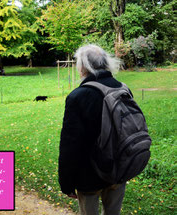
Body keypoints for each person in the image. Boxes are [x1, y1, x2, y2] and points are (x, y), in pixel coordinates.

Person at [59, 44, 127, 215]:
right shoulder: (122, 88)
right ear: (106, 63)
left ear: (82, 67)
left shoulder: (78, 97)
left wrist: (66, 183)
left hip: (89, 176)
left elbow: (70, 145)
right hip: (118, 170)